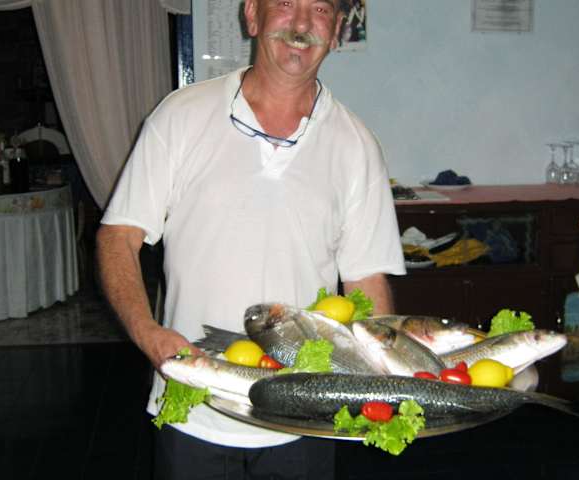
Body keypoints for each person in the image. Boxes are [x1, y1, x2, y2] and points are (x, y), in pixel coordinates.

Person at [96, 0, 406, 478]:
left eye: (320, 9)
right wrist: (148, 334)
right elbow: (118, 236)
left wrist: (383, 384)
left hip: (302, 412)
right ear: (251, 15)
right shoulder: (181, 116)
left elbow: (365, 279)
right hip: (194, 399)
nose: (300, 24)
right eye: (284, 3)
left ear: (337, 30)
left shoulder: (356, 145)